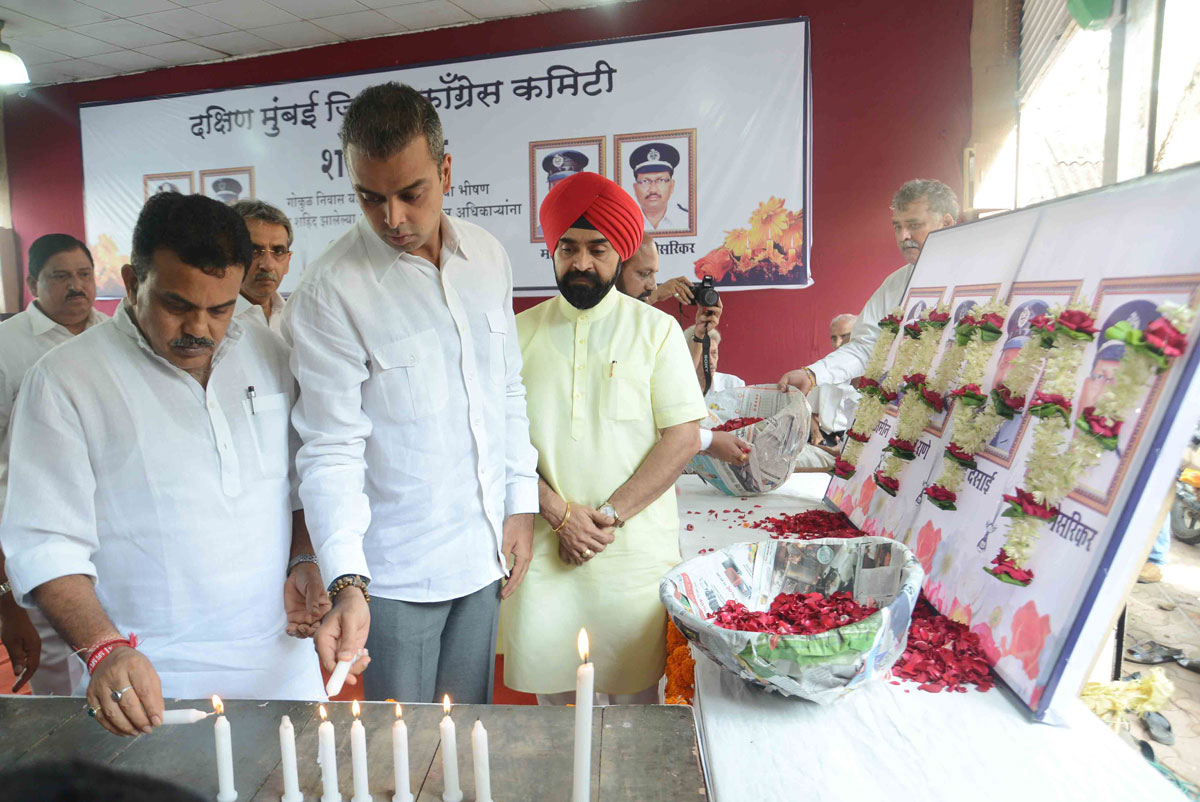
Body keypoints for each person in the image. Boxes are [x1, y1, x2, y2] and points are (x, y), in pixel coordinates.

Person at [0, 193, 327, 737]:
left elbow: (295, 486)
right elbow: (43, 542)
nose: (200, 328)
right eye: (177, 305)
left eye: (220, 308)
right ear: (132, 282)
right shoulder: (65, 381)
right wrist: (103, 648)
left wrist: (304, 558)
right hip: (148, 677)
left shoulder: (267, 354)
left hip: (280, 663)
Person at [284, 82, 539, 705]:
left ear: (445, 171)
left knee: (469, 736)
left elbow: (506, 388)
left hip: (482, 552)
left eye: (410, 193)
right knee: (404, 754)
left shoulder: (487, 257)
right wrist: (347, 578)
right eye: (371, 198)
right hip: (394, 573)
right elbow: (330, 447)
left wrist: (521, 500)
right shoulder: (331, 290)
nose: (392, 218)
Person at [500, 171, 706, 705]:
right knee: (554, 712)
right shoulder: (516, 333)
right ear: (553, 249)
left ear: (621, 251)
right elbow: (499, 438)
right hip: (544, 554)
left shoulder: (656, 330)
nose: (582, 263)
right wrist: (558, 514)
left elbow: (682, 436)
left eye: (598, 248)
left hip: (630, 555)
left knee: (636, 709)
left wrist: (607, 516)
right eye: (568, 248)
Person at [0, 233, 107, 695]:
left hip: (113, 541)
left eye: (84, 274)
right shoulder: (6, 348)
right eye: (60, 277)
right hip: (36, 542)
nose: (76, 287)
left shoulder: (114, 334)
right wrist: (5, 592)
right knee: (61, 693)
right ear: (31, 283)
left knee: (122, 671)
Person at [777, 179, 958, 394]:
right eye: (897, 226)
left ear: (946, 223)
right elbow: (866, 345)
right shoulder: (895, 284)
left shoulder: (990, 271)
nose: (903, 236)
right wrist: (813, 374)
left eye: (914, 225)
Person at [795, 314, 860, 471]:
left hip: (856, 447)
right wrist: (816, 433)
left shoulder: (875, 373)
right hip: (824, 443)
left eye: (845, 336)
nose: (838, 344)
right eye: (833, 338)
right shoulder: (823, 370)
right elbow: (809, 410)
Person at [232, 200, 292, 334]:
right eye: (254, 251)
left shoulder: (296, 318)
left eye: (278, 251)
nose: (268, 265)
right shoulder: (211, 322)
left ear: (288, 261)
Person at [628, 142, 688, 232]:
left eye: (661, 180)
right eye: (645, 181)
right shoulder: (626, 222)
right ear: (635, 188)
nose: (653, 189)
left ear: (671, 186)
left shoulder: (686, 219)